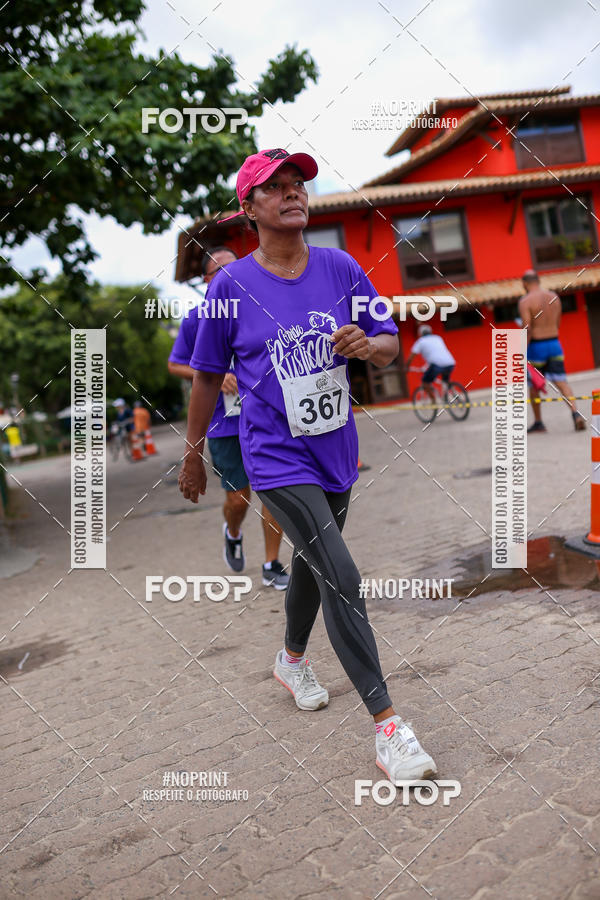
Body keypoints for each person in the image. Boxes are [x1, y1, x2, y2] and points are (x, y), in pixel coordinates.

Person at [178, 148, 437, 783]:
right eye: (277, 187)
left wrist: (366, 344)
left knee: (312, 564)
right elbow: (208, 377)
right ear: (250, 208)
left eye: (299, 185)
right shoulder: (229, 286)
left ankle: (292, 657)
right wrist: (193, 455)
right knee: (341, 574)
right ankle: (388, 728)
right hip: (274, 455)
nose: (293, 193)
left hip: (336, 451)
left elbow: (386, 342)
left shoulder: (341, 267)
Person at [168, 246, 290, 589]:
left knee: (276, 491)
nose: (230, 277)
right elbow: (175, 363)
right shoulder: (197, 319)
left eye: (236, 270)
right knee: (239, 498)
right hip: (223, 423)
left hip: (267, 417)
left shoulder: (263, 309)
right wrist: (213, 372)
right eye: (220, 272)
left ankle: (271, 563)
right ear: (207, 282)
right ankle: (233, 531)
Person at [519, 270, 586, 433]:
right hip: (555, 343)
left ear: (525, 283)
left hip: (536, 346)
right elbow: (558, 323)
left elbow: (527, 327)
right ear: (538, 280)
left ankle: (539, 422)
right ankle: (575, 414)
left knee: (534, 385)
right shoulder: (554, 297)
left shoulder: (525, 301)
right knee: (562, 382)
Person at [405, 323, 456, 408]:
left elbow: (411, 357)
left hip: (436, 365)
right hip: (450, 363)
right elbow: (437, 353)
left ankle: (433, 401)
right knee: (445, 380)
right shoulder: (438, 338)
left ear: (420, 334)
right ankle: (452, 392)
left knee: (425, 383)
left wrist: (406, 367)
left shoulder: (420, 341)